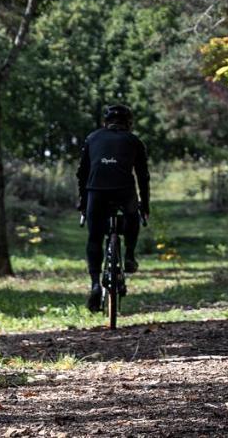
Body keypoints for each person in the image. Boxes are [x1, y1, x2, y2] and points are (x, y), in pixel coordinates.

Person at [77, 103, 150, 313]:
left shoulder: (92, 138)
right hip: (124, 190)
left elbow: (81, 174)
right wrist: (144, 205)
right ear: (129, 123)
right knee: (131, 216)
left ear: (105, 122)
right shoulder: (134, 141)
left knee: (94, 237)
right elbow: (143, 177)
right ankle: (129, 255)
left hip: (96, 191)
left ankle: (94, 284)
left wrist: (83, 202)